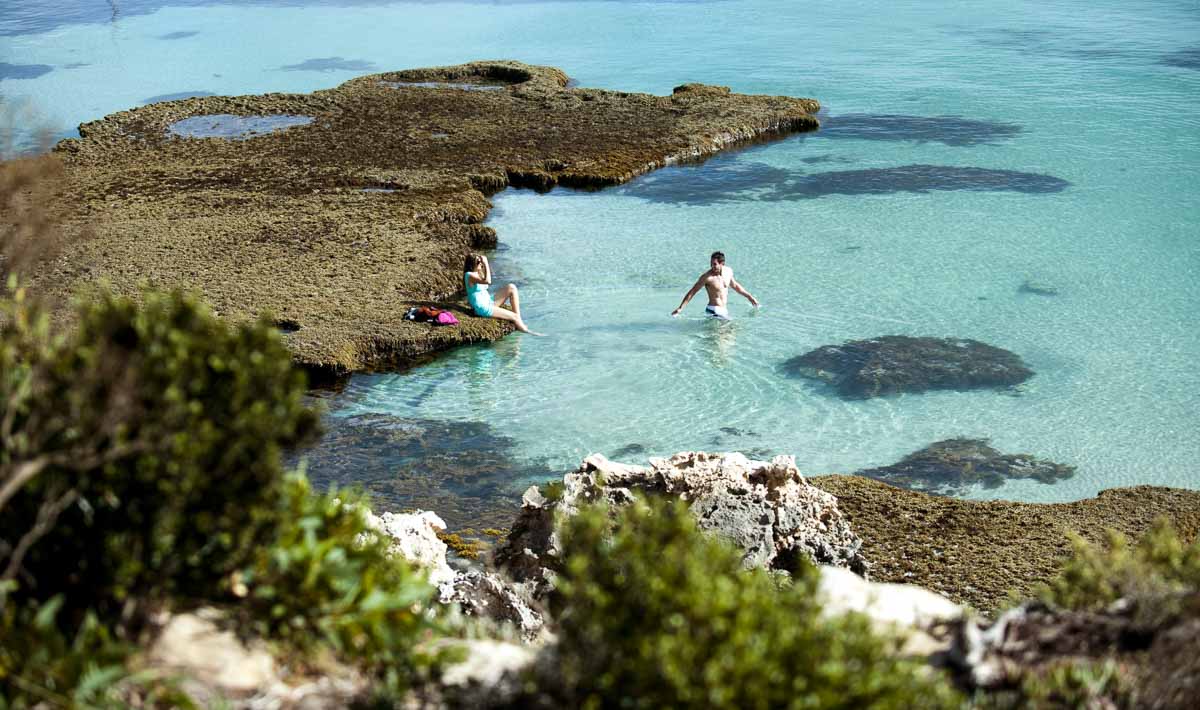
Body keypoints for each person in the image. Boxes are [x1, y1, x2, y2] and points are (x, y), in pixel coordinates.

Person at [464, 253, 543, 335]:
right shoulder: (469, 275)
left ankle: (518, 319)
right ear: (472, 264)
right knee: (514, 316)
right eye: (478, 262)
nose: (480, 263)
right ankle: (528, 331)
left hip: (489, 302)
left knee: (511, 287)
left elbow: (488, 278)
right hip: (482, 308)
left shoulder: (478, 273)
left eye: (480, 261)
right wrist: (486, 263)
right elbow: (488, 281)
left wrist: (483, 266)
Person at [671, 251, 759, 319]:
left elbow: (735, 286)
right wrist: (680, 308)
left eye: (714, 264)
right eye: (711, 263)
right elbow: (692, 292)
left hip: (723, 310)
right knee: (727, 333)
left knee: (726, 337)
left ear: (722, 264)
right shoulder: (707, 277)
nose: (712, 266)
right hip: (713, 310)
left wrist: (749, 296)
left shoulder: (728, 272)